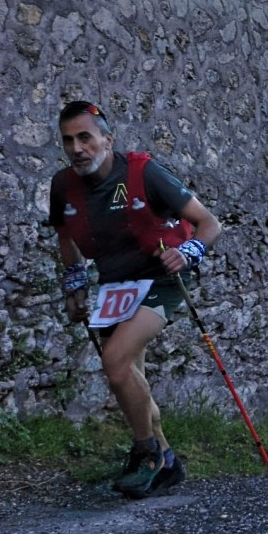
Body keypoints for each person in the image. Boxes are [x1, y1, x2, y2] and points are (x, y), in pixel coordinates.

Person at [48, 100, 222, 499]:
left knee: (115, 362)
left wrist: (188, 252)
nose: (77, 148)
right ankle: (166, 461)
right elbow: (66, 237)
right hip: (116, 284)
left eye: (86, 138)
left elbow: (209, 223)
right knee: (128, 374)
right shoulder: (63, 186)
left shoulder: (144, 172)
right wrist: (75, 285)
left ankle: (146, 452)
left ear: (108, 140)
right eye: (68, 140)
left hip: (161, 277)